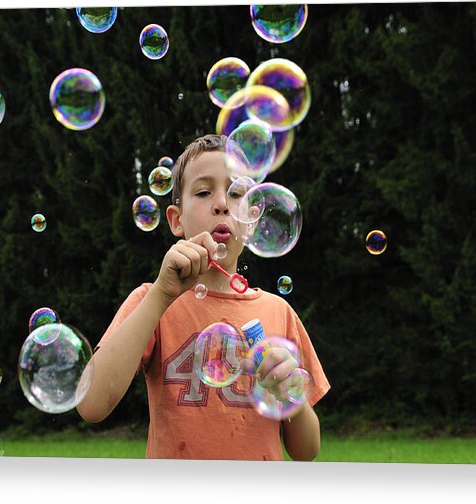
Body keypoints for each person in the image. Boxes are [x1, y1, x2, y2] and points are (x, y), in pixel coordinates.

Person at [77, 134, 330, 461]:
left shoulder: (278, 311)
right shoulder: (153, 301)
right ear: (176, 220)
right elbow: (91, 404)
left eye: (236, 192)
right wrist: (161, 294)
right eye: (203, 191)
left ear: (252, 219)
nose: (222, 203)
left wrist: (289, 395)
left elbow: (306, 451)